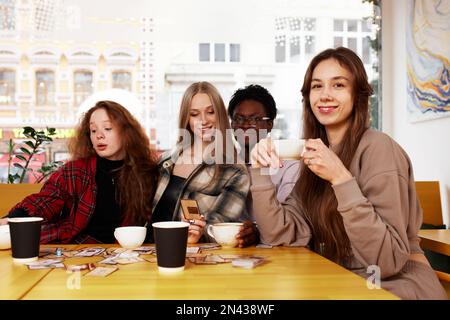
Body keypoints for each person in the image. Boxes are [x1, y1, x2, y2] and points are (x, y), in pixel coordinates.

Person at [249, 47, 447, 299]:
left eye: (339, 85)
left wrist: (341, 179)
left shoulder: (378, 148)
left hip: (394, 285)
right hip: (341, 279)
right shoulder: (317, 155)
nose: (325, 95)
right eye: (317, 86)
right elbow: (280, 234)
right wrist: (260, 171)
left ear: (358, 94)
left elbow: (385, 261)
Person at [0, 101, 159, 244]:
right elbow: (46, 200)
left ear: (127, 132)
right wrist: (13, 218)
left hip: (127, 255)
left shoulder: (146, 173)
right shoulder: (76, 170)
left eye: (107, 128)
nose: (99, 135)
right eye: (93, 130)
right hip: (79, 249)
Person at [149, 81, 256, 246]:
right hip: (148, 252)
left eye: (210, 112)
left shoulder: (234, 171)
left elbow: (219, 229)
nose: (203, 120)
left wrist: (199, 233)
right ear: (187, 118)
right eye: (194, 114)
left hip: (190, 256)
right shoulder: (166, 160)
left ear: (219, 114)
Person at [228, 84, 300, 203]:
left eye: (255, 119)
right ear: (232, 124)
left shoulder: (289, 167)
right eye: (239, 119)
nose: (246, 125)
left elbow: (285, 216)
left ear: (269, 125)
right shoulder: (225, 164)